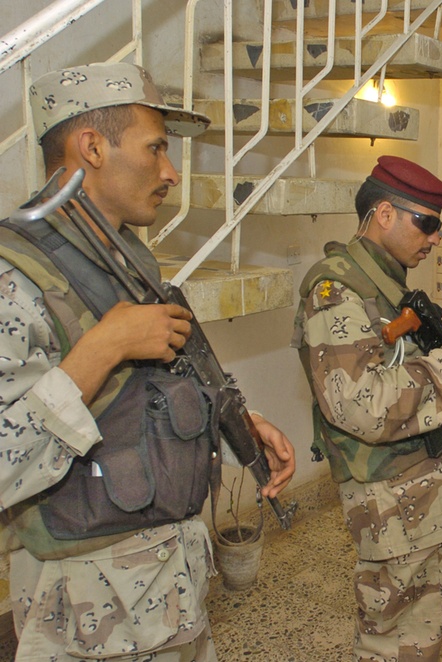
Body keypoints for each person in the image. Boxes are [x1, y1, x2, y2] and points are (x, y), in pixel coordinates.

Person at [0, 61, 296, 661]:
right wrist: (102, 347)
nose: (171, 172)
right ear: (92, 147)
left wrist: (235, 418)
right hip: (83, 617)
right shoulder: (15, 275)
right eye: (156, 148)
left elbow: (143, 393)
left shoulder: (124, 256)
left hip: (170, 590)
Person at [292, 155, 442, 661]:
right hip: (391, 503)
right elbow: (363, 406)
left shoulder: (384, 284)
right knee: (393, 642)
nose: (435, 238)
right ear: (384, 214)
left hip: (419, 497)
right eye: (426, 223)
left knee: (419, 635)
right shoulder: (337, 291)